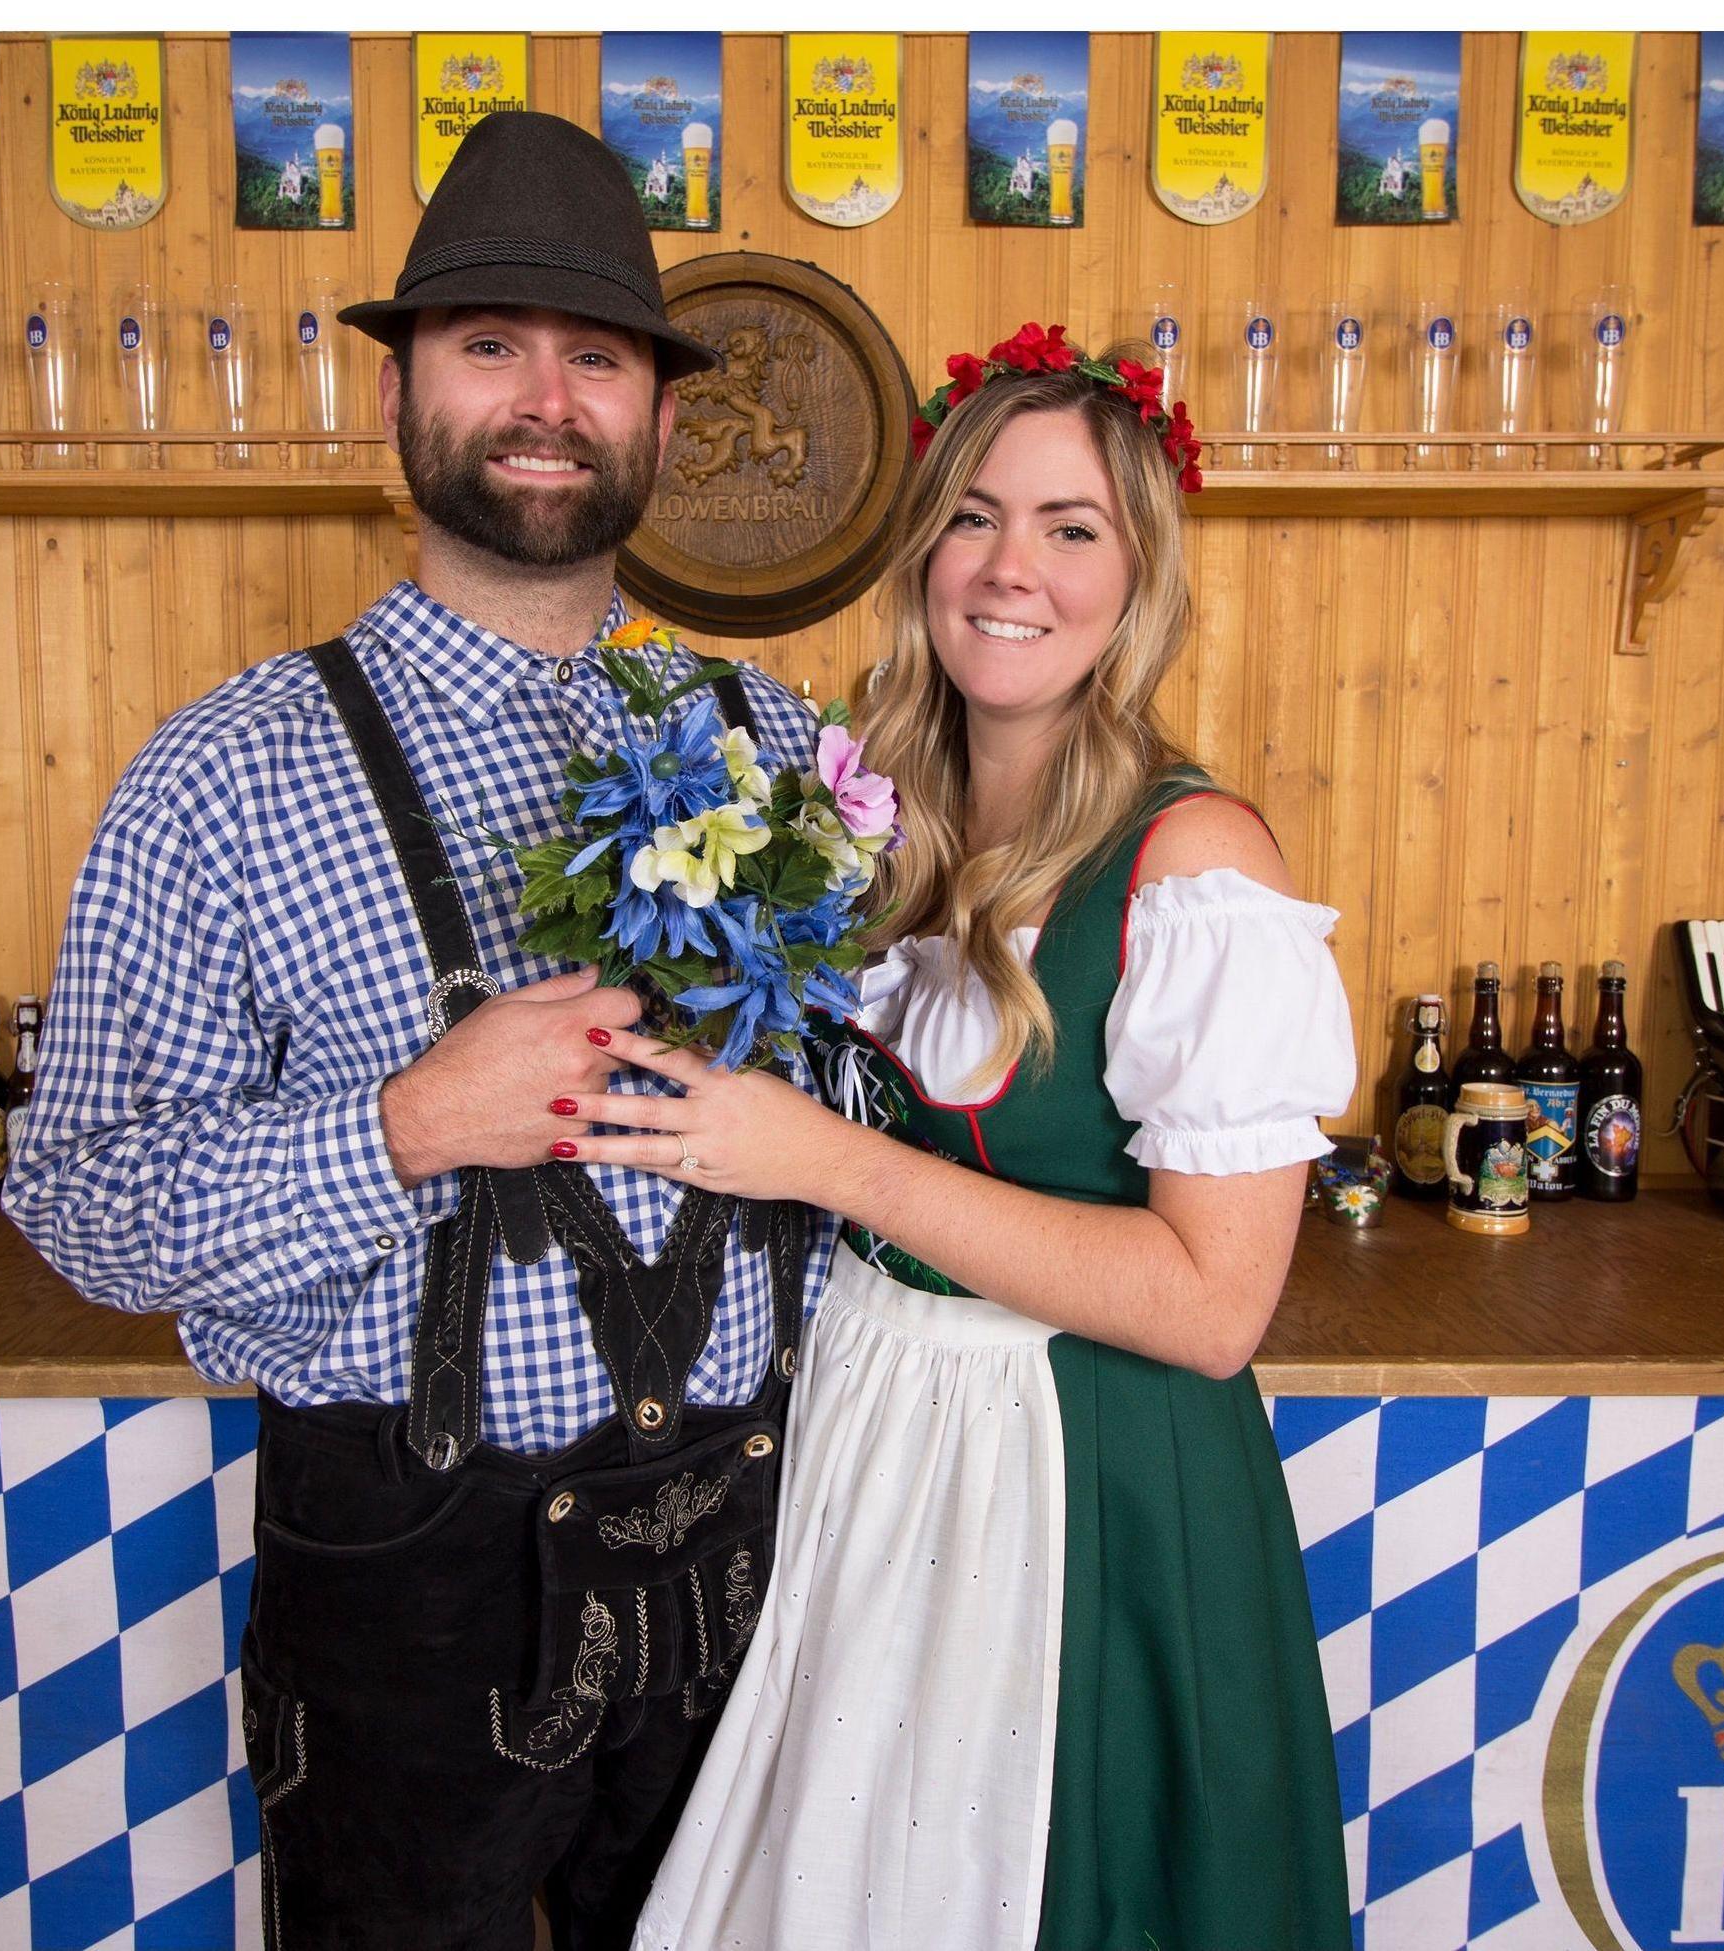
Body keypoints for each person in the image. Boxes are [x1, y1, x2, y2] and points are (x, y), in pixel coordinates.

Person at [4, 111, 834, 1951]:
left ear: (661, 423)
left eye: (595, 358)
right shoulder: (221, 774)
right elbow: (72, 1203)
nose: (546, 397)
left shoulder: (772, 744)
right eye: (489, 347)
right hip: (405, 1581)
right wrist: (398, 1127)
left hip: (748, 1551)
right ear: (398, 400)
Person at [550, 330, 1358, 1950]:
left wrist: (827, 1162)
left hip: (1079, 1488)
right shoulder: (875, 824)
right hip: (876, 1445)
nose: (1011, 568)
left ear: (1140, 574)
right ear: (923, 549)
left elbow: (1212, 1309)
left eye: (1072, 527)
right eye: (975, 515)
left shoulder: (1196, 861)